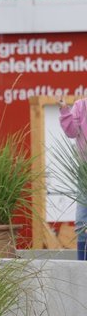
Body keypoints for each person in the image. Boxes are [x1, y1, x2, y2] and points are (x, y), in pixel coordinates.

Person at [59, 94, 87, 260]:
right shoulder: (81, 106)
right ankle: (82, 266)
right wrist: (64, 110)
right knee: (82, 221)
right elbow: (71, 132)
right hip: (85, 170)